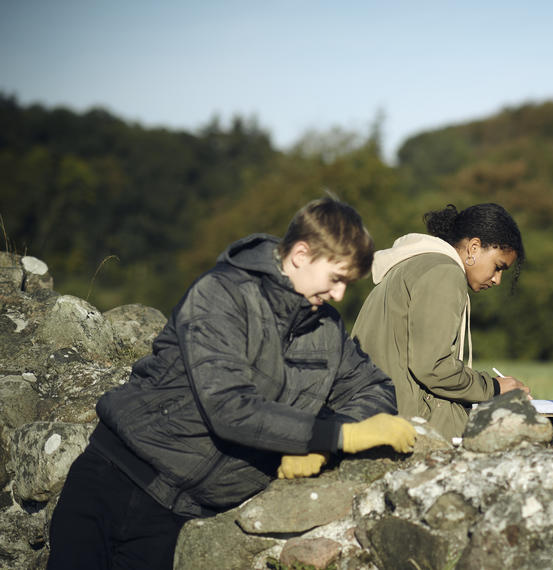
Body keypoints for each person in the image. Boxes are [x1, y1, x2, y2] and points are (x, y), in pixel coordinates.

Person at [48, 196, 416, 570]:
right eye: (336, 278)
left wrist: (316, 446)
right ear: (301, 254)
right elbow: (228, 408)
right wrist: (337, 436)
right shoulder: (220, 294)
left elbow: (374, 389)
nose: (339, 294)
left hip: (186, 518)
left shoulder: (327, 328)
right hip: (116, 480)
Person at [352, 203, 530, 440]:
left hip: (373, 412)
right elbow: (433, 368)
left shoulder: (416, 265)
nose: (497, 279)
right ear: (474, 248)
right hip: (405, 427)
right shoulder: (444, 273)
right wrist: (495, 388)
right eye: (498, 267)